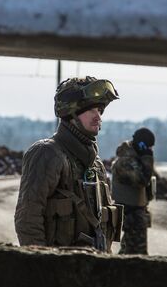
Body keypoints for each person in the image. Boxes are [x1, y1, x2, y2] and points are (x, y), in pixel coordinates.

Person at [14, 76, 123, 252]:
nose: (98, 117)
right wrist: (39, 265)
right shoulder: (47, 153)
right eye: (91, 110)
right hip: (59, 270)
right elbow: (28, 219)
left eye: (100, 110)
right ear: (71, 112)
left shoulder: (95, 163)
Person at [111, 127, 156, 254]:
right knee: (136, 254)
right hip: (130, 214)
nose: (150, 150)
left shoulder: (136, 159)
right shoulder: (126, 161)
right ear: (142, 145)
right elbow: (142, 180)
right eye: (149, 147)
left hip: (136, 214)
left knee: (130, 252)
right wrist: (147, 158)